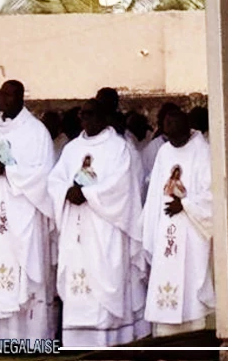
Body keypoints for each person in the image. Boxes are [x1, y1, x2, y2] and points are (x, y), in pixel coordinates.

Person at [48, 99, 146, 346]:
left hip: (105, 227)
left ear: (104, 117)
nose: (86, 119)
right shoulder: (72, 149)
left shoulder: (118, 148)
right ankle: (77, 339)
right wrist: (66, 192)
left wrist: (88, 194)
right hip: (76, 225)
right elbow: (55, 180)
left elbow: (121, 187)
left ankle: (109, 336)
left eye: (91, 115)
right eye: (83, 115)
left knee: (105, 275)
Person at [0, 80, 58, 340]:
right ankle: (0, 338)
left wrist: (8, 170)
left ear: (20, 98)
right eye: (1, 94)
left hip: (24, 213)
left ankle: (32, 338)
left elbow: (43, 175)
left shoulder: (36, 132)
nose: (3, 99)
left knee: (26, 271)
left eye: (9, 94)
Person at [140, 109, 215, 336]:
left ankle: (195, 332)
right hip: (166, 230)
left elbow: (212, 195)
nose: (169, 124)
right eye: (166, 121)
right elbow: (154, 195)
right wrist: (150, 227)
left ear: (187, 124)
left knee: (191, 277)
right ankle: (165, 334)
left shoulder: (203, 151)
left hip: (193, 232)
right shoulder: (163, 152)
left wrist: (185, 205)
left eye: (174, 120)